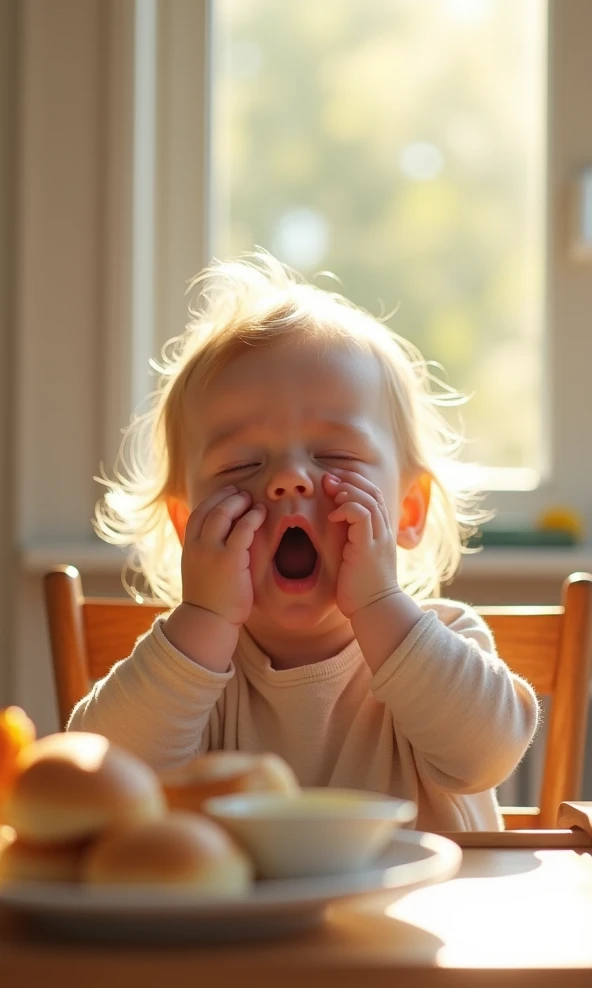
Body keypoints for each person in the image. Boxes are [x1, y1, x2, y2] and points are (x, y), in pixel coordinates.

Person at [69, 250, 538, 835]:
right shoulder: (193, 672)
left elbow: (486, 755)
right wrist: (204, 618)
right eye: (241, 465)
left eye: (336, 455)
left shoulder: (440, 642)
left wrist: (378, 605)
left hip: (425, 917)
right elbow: (102, 777)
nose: (288, 479)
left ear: (408, 510)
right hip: (244, 928)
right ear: (190, 527)